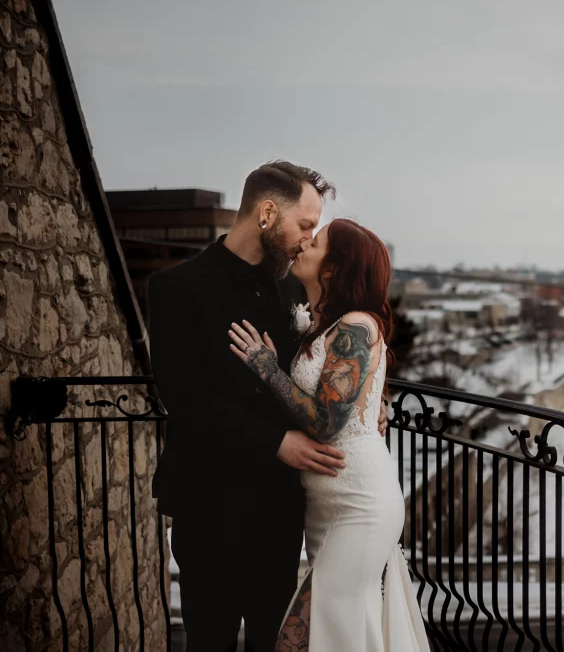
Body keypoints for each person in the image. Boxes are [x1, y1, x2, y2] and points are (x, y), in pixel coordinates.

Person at [148, 161, 387, 651]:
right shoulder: (176, 288)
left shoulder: (295, 288)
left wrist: (369, 400)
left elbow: (335, 362)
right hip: (208, 502)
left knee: (273, 641)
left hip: (279, 511)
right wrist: (276, 442)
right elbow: (184, 398)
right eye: (304, 225)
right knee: (209, 639)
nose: (307, 239)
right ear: (267, 213)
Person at [228, 218, 430, 651]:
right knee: (338, 633)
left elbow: (324, 421)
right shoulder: (324, 325)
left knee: (308, 633)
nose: (304, 243)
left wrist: (266, 367)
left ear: (334, 267)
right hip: (326, 507)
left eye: (315, 241)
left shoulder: (356, 325)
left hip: (359, 504)